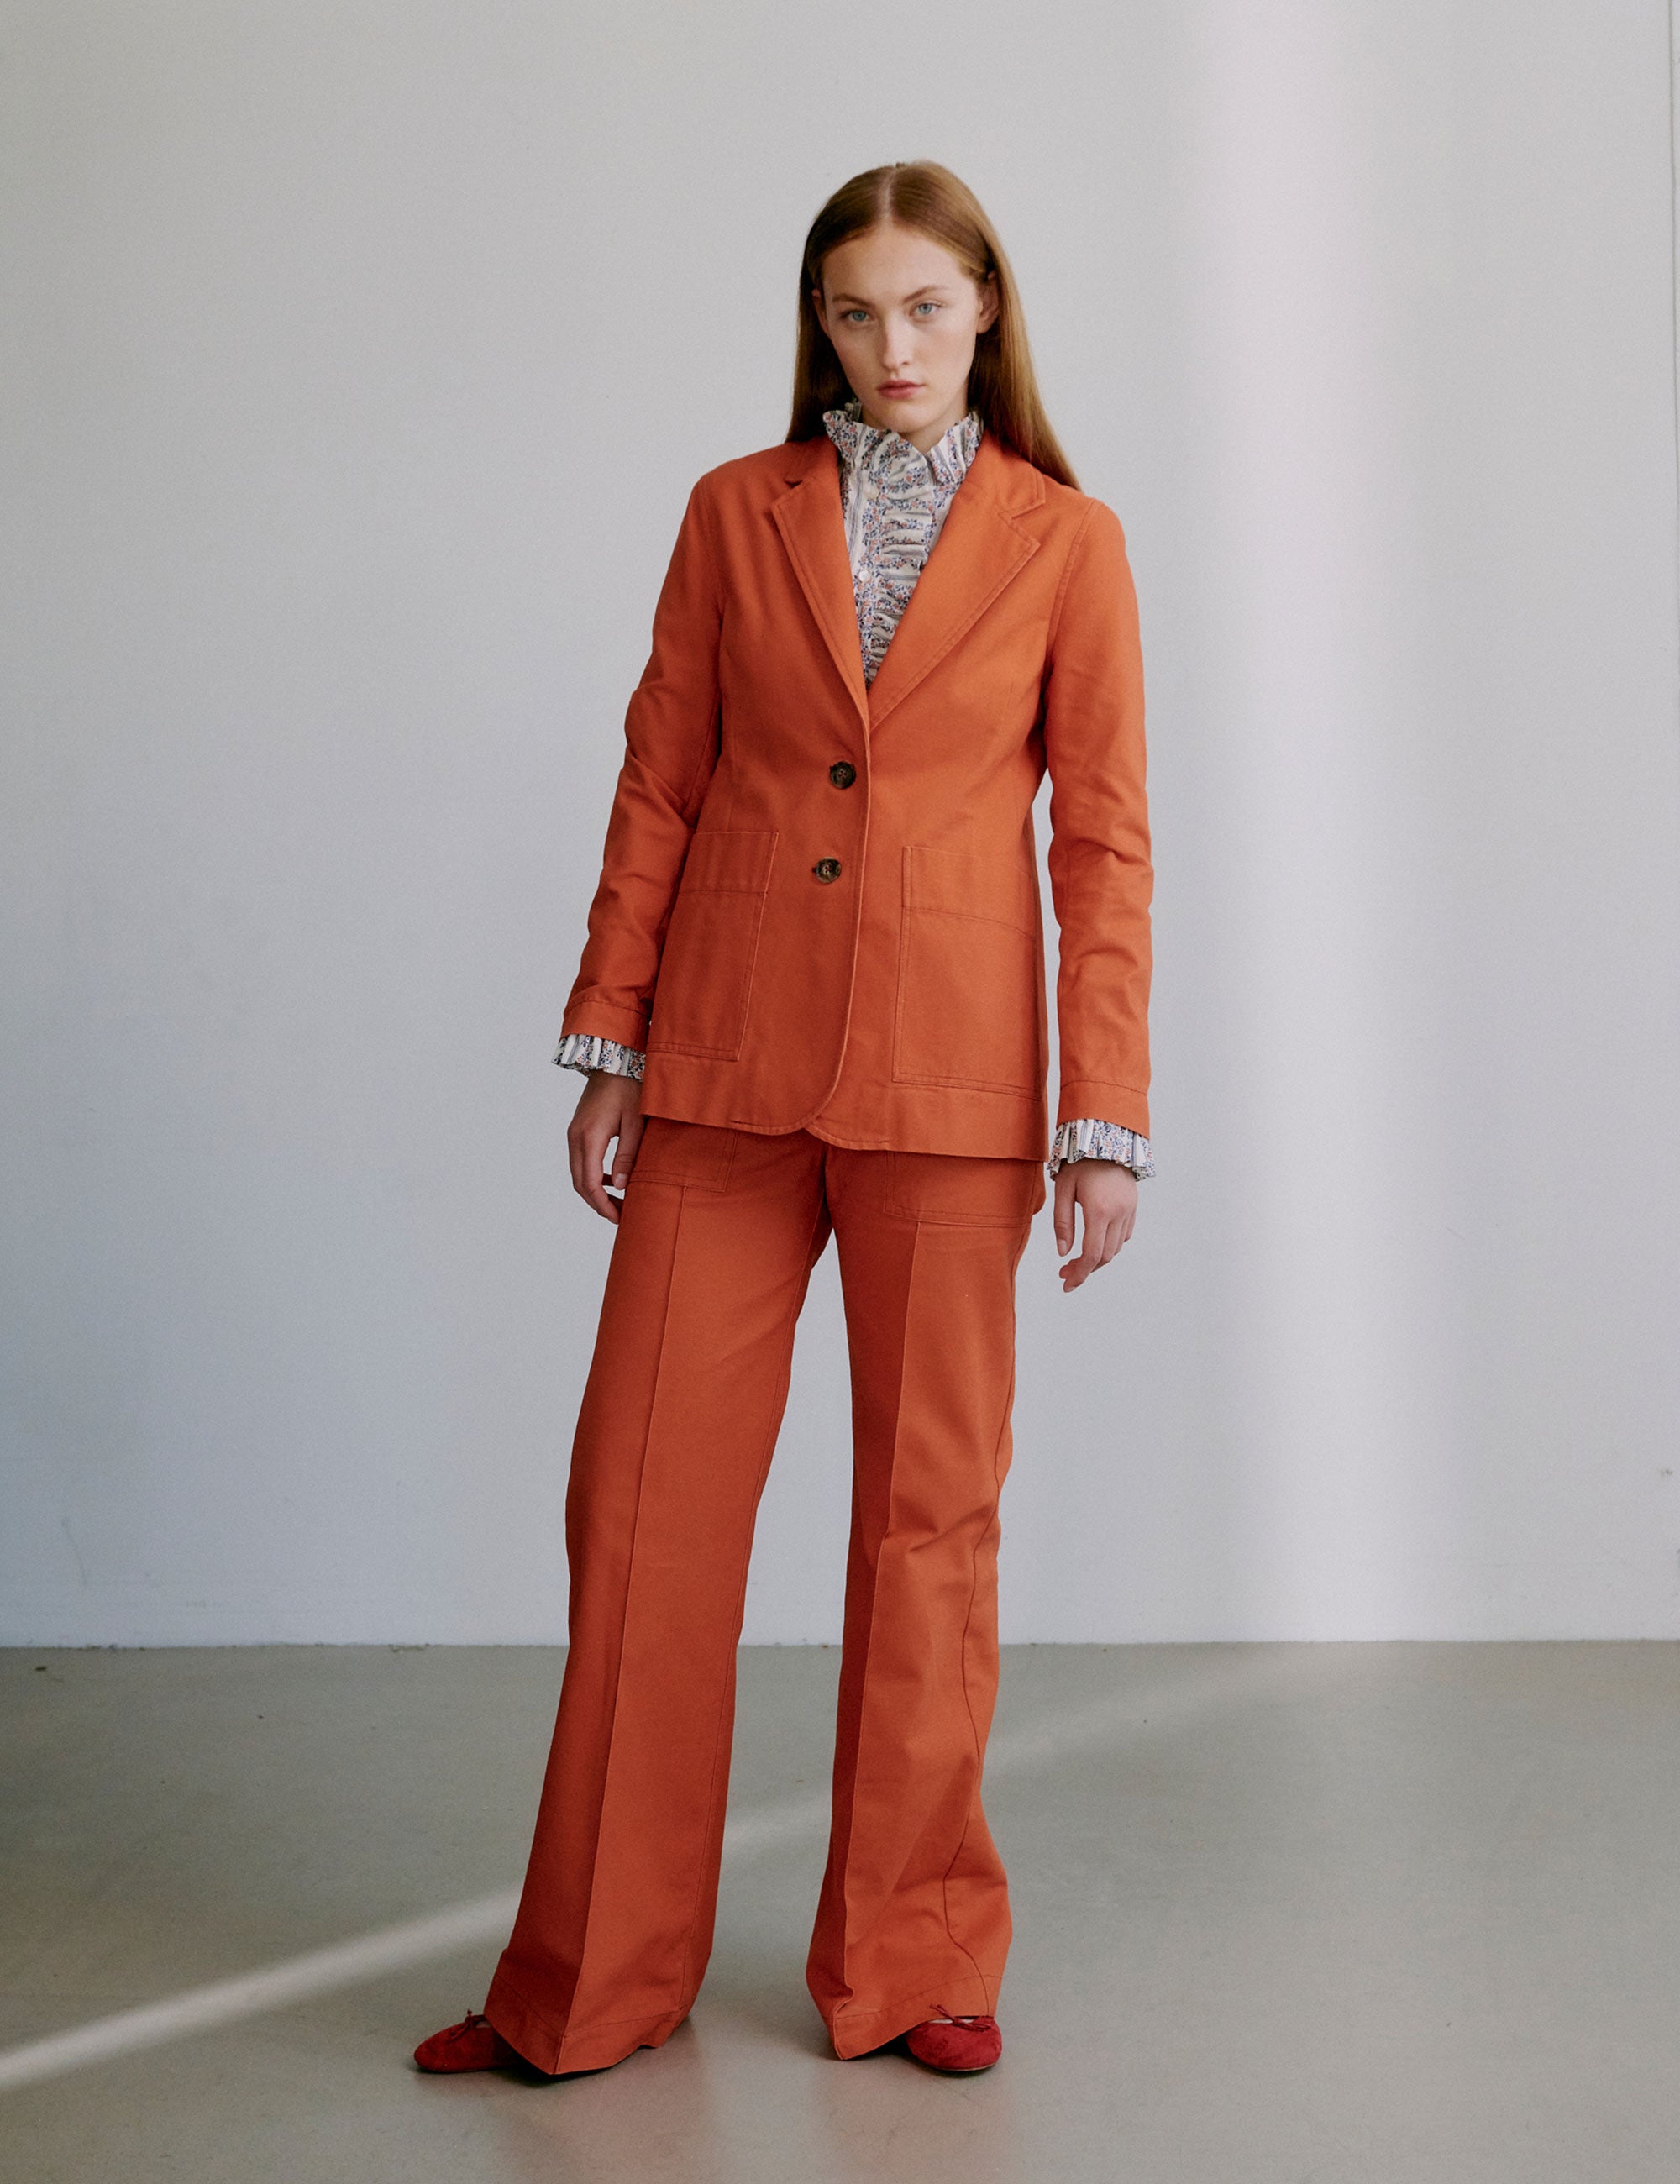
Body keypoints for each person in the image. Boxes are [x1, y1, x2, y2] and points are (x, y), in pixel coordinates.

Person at [414, 158, 1153, 2084]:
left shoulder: (1068, 542)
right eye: (852, 310)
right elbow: (662, 776)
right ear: (814, 323)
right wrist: (610, 1036)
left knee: (928, 1529)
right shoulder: (730, 515)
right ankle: (583, 1981)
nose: (889, 345)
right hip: (723, 1073)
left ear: (987, 307)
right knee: (641, 1513)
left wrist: (1106, 1117)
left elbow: (1101, 841)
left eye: (924, 305)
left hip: (955, 1086)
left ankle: (913, 1957)